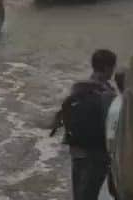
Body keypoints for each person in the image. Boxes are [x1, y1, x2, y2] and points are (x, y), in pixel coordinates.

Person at [52, 49, 118, 200]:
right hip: (96, 154)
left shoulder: (78, 88)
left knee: (79, 193)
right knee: (89, 194)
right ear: (108, 68)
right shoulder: (108, 94)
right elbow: (112, 127)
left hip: (76, 150)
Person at [104, 70, 126, 200]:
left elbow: (110, 139)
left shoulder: (116, 103)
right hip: (125, 163)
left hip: (118, 161)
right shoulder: (122, 106)